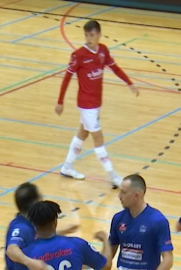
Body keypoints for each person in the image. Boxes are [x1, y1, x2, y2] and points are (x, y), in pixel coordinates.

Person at [55, 19, 139, 189]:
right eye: (86, 35)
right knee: (98, 138)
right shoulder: (78, 55)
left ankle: (67, 167)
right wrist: (60, 101)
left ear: (99, 35)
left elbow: (115, 68)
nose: (89, 38)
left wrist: (129, 83)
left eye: (92, 35)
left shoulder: (103, 51)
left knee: (83, 133)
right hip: (86, 104)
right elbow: (67, 78)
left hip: (96, 102)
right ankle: (113, 176)